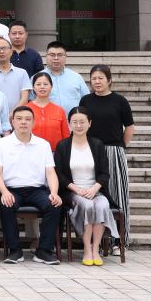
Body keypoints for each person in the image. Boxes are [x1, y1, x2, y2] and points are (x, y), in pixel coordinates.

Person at [0, 106, 63, 264]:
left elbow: (50, 172)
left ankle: (43, 251)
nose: (23, 122)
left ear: (33, 122)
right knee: (6, 205)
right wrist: (4, 192)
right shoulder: (1, 144)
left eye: (27, 119)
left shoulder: (43, 144)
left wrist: (54, 192)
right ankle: (15, 251)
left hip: (37, 190)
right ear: (12, 122)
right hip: (11, 189)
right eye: (19, 119)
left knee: (54, 205)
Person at [55, 106, 120, 266]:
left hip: (94, 190)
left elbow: (104, 173)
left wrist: (94, 188)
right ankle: (86, 248)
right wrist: (76, 189)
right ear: (69, 124)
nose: (78, 125)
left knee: (102, 205)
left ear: (89, 123)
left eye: (82, 122)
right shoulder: (63, 146)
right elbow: (59, 174)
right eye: (74, 122)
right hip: (73, 191)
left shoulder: (97, 144)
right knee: (87, 206)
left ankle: (95, 248)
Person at [79, 64, 135, 244]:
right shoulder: (86, 101)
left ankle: (119, 241)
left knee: (118, 195)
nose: (97, 81)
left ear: (109, 80)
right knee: (95, 195)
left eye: (101, 78)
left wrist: (120, 146)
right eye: (94, 78)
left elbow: (129, 127)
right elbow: (81, 124)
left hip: (114, 151)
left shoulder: (120, 101)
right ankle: (97, 240)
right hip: (91, 151)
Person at [43, 41, 91, 114]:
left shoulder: (76, 77)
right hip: (47, 120)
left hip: (73, 120)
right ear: (46, 56)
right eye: (52, 55)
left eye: (60, 55)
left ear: (65, 57)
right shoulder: (37, 78)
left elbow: (87, 100)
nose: (56, 58)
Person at [28, 71, 69, 151]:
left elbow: (66, 136)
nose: (42, 87)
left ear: (51, 86)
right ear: (33, 87)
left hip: (56, 152)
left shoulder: (59, 110)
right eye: (38, 84)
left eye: (45, 84)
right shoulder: (27, 109)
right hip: (32, 151)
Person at [0, 37, 33, 109]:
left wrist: (13, 114)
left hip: (17, 115)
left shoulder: (22, 73)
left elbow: (24, 99)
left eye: (5, 48)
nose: (1, 51)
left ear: (11, 51)